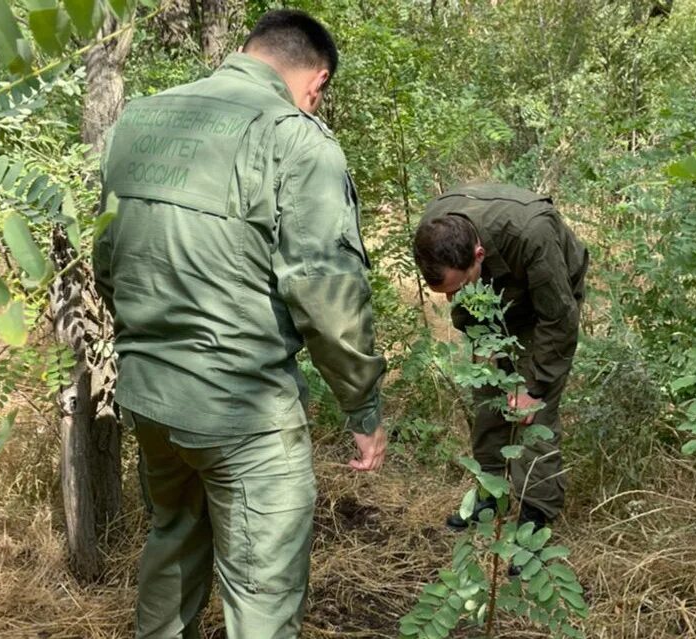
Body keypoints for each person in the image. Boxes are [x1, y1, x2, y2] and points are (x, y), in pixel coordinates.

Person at [93, 10, 386, 638]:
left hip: (150, 399)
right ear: (317, 81)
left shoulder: (138, 121)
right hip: (243, 415)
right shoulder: (296, 138)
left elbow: (108, 260)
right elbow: (326, 294)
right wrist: (363, 410)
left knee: (171, 549)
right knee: (262, 594)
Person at [413, 183, 587, 534]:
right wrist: (480, 333)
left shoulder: (531, 233)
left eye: (458, 289)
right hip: (491, 302)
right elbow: (462, 297)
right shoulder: (431, 232)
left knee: (531, 416)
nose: (451, 301)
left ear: (478, 254)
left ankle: (536, 516)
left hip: (547, 301)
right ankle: (490, 494)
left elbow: (559, 319)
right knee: (488, 401)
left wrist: (534, 387)